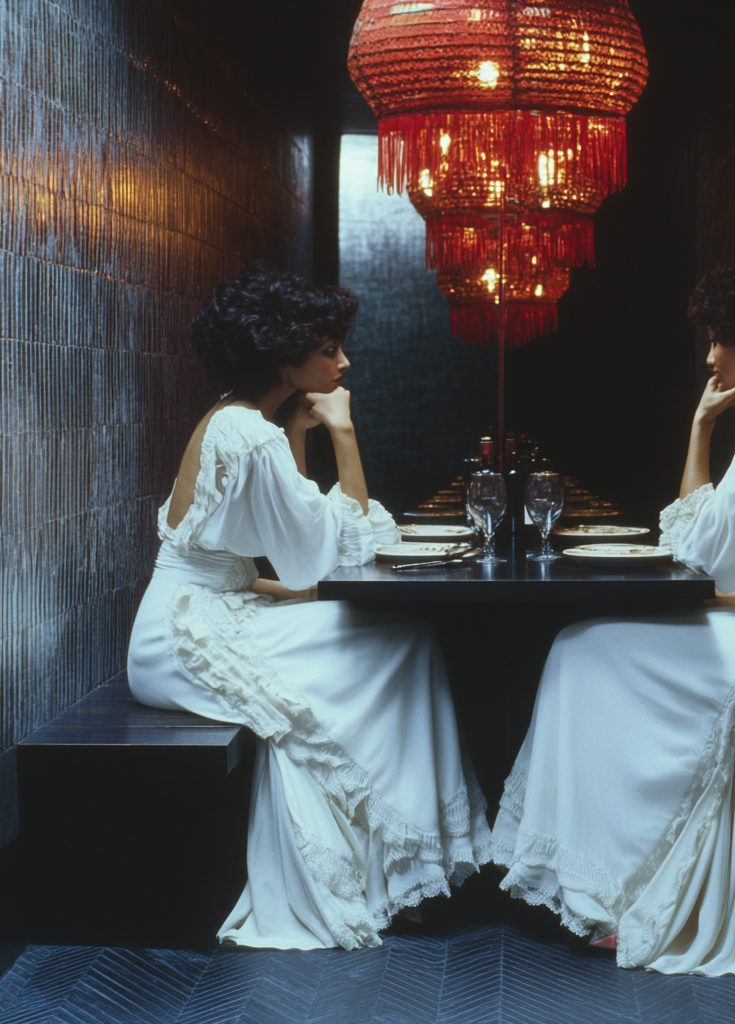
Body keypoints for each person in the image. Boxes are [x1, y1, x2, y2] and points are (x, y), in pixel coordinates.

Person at [492, 250, 735, 975]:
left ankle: (623, 887)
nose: (710, 354)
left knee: (589, 652)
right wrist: (706, 429)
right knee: (585, 645)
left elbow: (711, 559)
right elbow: (727, 553)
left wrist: (700, 429)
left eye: (718, 337)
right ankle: (613, 876)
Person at [127, 264, 490, 950]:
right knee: (398, 644)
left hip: (197, 615)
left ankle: (392, 868)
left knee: (401, 640)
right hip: (184, 638)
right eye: (329, 349)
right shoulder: (247, 432)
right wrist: (342, 434)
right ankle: (392, 872)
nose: (344, 362)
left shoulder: (239, 420)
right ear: (282, 355)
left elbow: (283, 541)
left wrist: (300, 437)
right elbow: (330, 556)